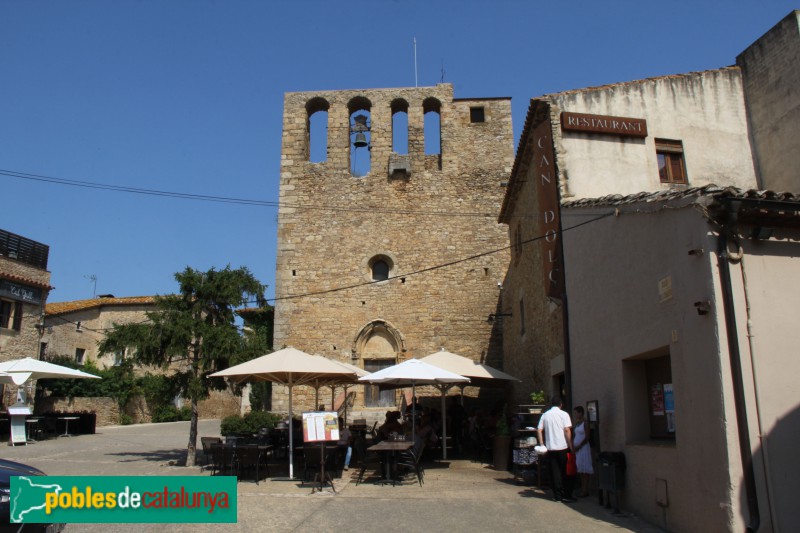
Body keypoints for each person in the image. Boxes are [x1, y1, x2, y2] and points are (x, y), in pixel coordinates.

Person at [536, 395, 575, 503]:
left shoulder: (545, 415)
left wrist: (542, 444)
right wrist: (570, 446)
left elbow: (539, 430)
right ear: (561, 404)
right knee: (565, 472)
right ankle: (566, 494)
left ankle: (557, 495)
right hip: (562, 447)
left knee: (554, 472)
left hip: (550, 448)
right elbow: (567, 430)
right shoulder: (564, 414)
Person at [572, 406, 594, 497]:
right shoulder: (577, 423)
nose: (575, 415)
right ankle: (582, 488)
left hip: (583, 448)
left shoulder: (585, 423)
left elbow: (587, 437)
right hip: (577, 449)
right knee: (580, 469)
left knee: (585, 469)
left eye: (576, 413)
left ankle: (585, 490)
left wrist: (579, 446)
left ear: (581, 413)